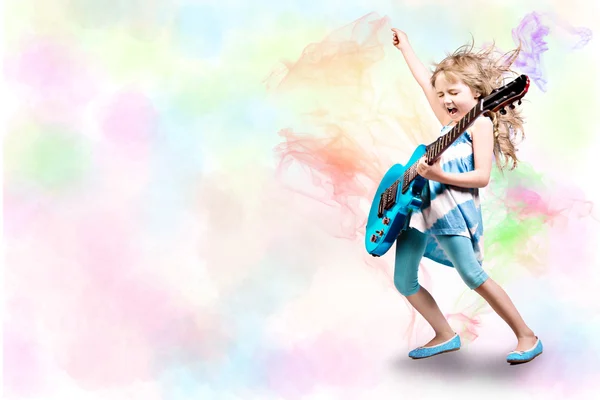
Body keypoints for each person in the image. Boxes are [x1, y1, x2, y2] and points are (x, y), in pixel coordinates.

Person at [390, 28, 542, 364]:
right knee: (404, 280)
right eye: (441, 94)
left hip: (451, 210)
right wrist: (407, 48)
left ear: (475, 93)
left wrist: (439, 174)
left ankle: (527, 335)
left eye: (453, 92)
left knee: (472, 275)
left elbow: (481, 177)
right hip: (419, 209)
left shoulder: (479, 123)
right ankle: (445, 334)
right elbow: (423, 83)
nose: (445, 100)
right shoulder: (448, 123)